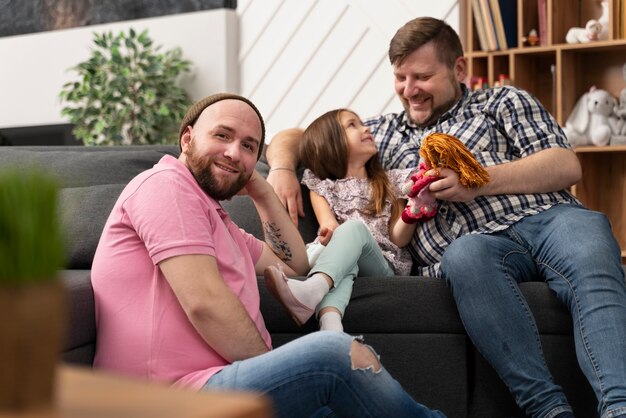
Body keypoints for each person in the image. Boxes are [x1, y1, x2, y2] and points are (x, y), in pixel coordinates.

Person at [265, 17, 626, 418]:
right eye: (400, 78)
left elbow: (565, 164)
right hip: (472, 247)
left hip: (546, 218)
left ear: (458, 69)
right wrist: (281, 168)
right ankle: (549, 411)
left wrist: (479, 181)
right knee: (465, 257)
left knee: (589, 242)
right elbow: (293, 137)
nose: (409, 90)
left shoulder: (502, 101)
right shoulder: (381, 133)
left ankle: (619, 407)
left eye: (422, 76)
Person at [90, 93, 445, 418]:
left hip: (216, 387)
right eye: (223, 136)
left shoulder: (218, 220)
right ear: (187, 138)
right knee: (335, 355)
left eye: (249, 147)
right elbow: (205, 304)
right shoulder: (166, 185)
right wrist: (276, 372)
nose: (234, 153)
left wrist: (260, 188)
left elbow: (295, 265)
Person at [265, 108, 417, 332]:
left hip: (383, 264)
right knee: (346, 261)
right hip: (349, 255)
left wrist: (413, 211)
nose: (366, 128)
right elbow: (328, 224)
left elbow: (398, 238)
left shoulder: (391, 182)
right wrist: (328, 234)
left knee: (353, 230)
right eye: (352, 125)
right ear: (331, 141)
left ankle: (313, 288)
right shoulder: (322, 185)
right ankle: (331, 326)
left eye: (361, 122)